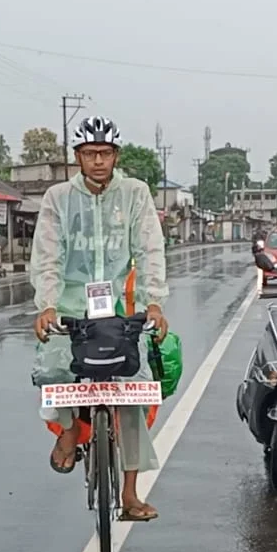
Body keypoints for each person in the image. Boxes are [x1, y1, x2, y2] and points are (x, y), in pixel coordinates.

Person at [30, 116, 169, 521]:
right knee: (52, 371)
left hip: (119, 307)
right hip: (69, 306)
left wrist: (154, 302)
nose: (98, 161)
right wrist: (47, 304)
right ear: (77, 157)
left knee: (134, 390)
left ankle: (129, 494)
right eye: (90, 154)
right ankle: (70, 431)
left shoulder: (135, 194)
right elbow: (47, 255)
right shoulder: (57, 198)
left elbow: (149, 251)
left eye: (105, 153)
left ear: (116, 156)